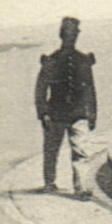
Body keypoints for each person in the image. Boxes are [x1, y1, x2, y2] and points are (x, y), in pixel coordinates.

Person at [34, 15, 97, 198]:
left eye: (74, 35)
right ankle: (49, 182)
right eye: (68, 35)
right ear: (62, 36)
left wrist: (92, 114)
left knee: (82, 152)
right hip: (55, 114)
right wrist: (43, 112)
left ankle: (81, 187)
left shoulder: (83, 60)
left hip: (78, 113)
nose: (72, 38)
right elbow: (41, 88)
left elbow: (90, 89)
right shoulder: (51, 60)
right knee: (51, 150)